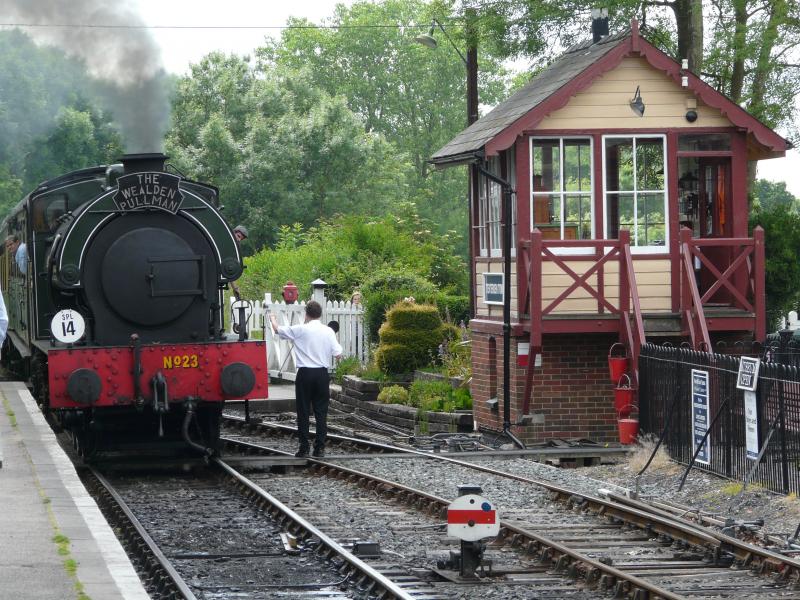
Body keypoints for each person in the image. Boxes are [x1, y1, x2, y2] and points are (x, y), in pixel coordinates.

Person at [270, 300, 342, 458]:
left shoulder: (301, 329)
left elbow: (277, 330)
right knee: (321, 412)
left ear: (306, 313)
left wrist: (272, 317)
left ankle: (304, 447)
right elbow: (338, 354)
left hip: (305, 373)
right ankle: (320, 448)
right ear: (320, 314)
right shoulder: (328, 331)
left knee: (303, 411)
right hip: (322, 374)